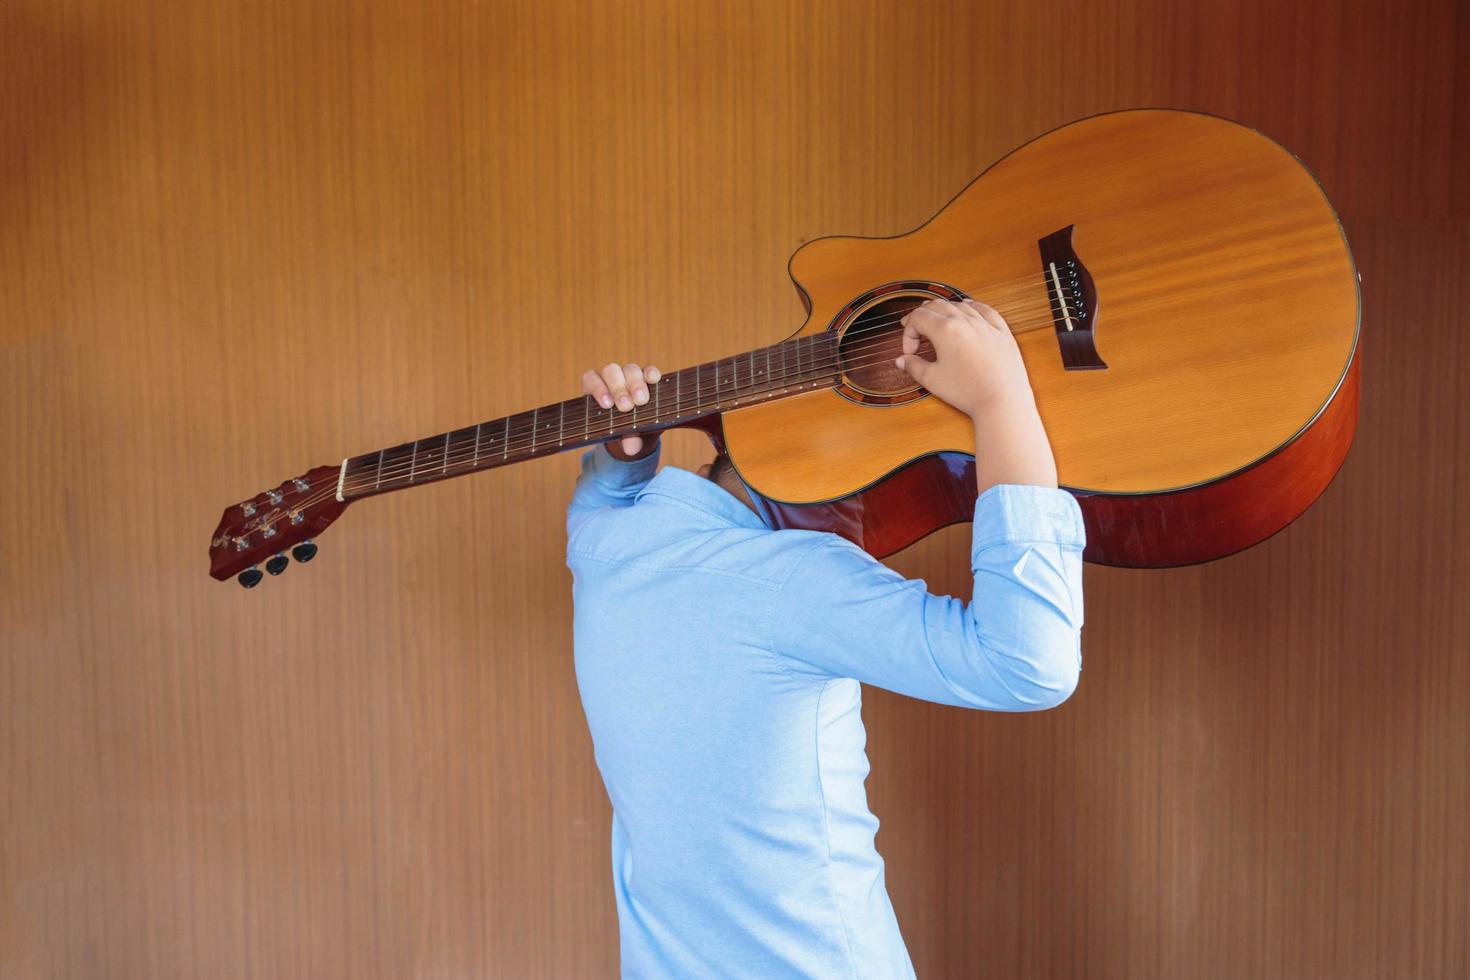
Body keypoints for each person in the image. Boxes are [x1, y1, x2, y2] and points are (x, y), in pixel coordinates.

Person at [567, 298, 1086, 978]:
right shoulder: (798, 583)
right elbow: (1029, 664)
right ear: (847, 488)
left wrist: (620, 457)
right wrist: (999, 402)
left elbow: (599, 498)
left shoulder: (604, 545)